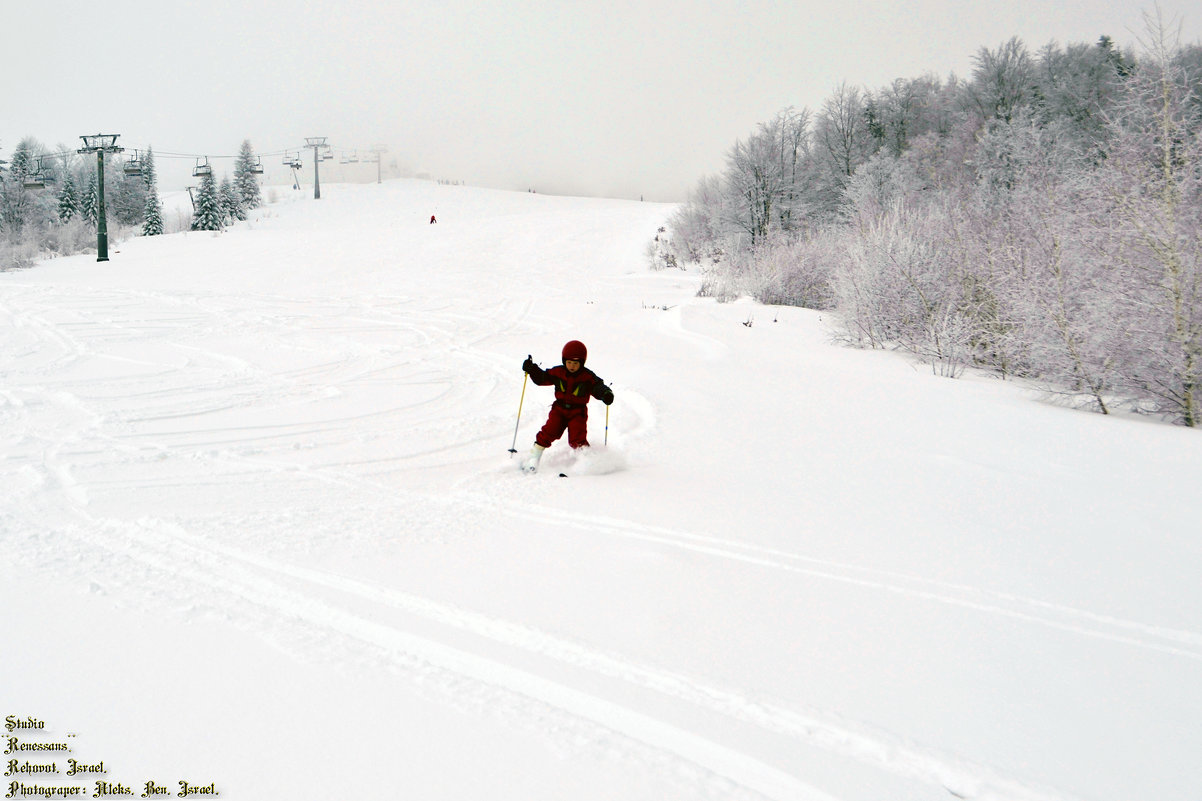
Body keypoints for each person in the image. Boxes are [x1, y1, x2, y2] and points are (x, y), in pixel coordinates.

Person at [520, 340, 614, 472]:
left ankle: (587, 461)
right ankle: (534, 457)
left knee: (577, 438)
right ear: (564, 360)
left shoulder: (587, 377)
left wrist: (605, 393)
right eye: (569, 362)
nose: (572, 366)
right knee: (549, 431)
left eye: (576, 363)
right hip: (559, 409)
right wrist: (532, 369)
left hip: (578, 412)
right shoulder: (558, 372)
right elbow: (543, 378)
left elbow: (597, 386)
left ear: (582, 362)